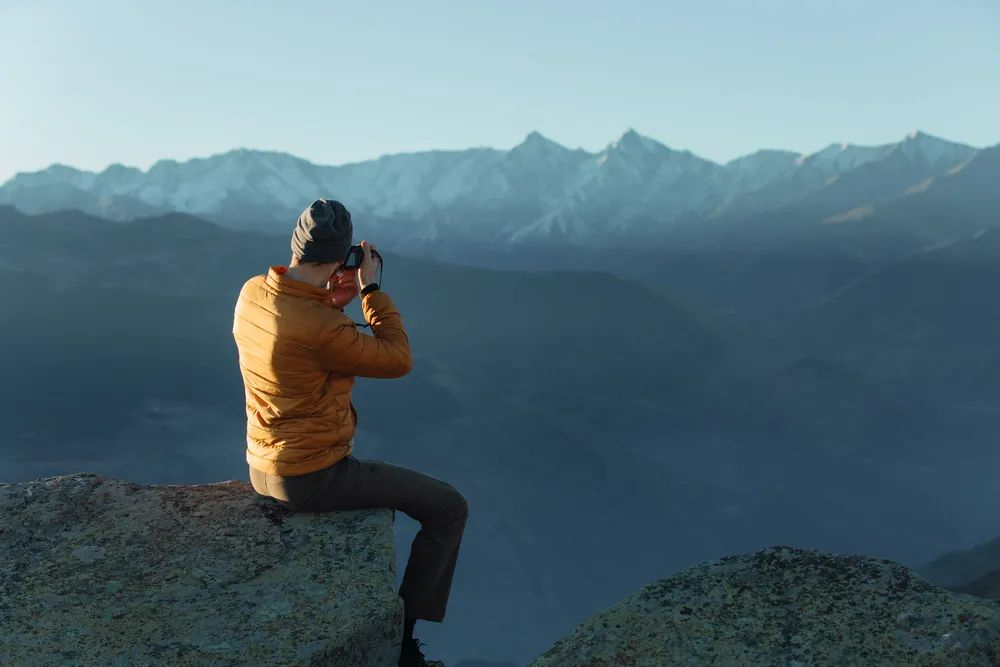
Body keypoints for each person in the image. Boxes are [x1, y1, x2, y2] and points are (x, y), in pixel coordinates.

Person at [232, 198, 467, 667]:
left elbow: (299, 334)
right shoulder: (322, 327)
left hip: (261, 463)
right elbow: (397, 359)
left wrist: (330, 301)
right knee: (448, 508)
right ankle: (402, 644)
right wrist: (371, 291)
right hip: (310, 475)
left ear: (296, 245)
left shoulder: (253, 292)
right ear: (344, 257)